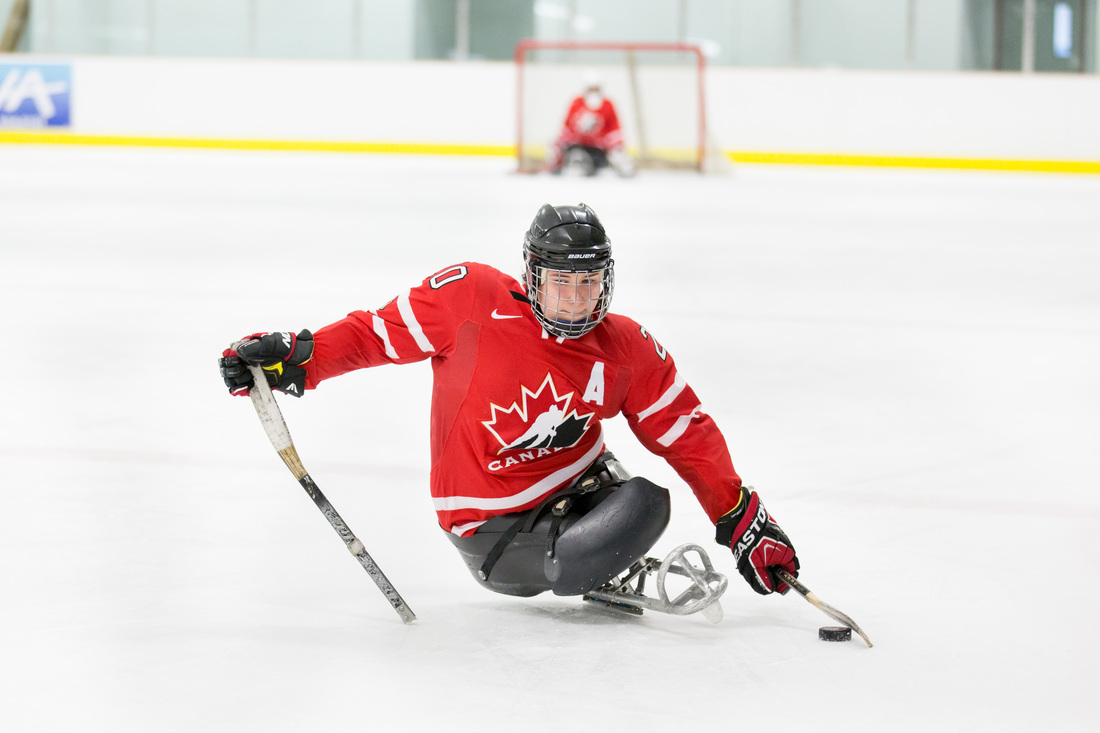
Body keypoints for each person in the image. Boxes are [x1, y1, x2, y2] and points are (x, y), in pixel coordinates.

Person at [219, 203, 798, 608]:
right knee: (638, 512)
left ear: (607, 281)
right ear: (532, 277)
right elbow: (376, 334)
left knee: (646, 503)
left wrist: (741, 517)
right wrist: (295, 358)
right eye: (560, 283)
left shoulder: (624, 347)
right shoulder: (469, 299)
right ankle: (582, 559)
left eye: (588, 284)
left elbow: (684, 429)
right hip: (490, 528)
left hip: (587, 485)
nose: (575, 301)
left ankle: (594, 546)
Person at [547, 79, 635, 178]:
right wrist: (560, 147)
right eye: (590, 89)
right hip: (578, 146)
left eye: (596, 89)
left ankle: (615, 164)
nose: (593, 92)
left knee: (607, 158)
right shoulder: (577, 103)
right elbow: (567, 127)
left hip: (599, 149)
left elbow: (614, 129)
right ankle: (573, 164)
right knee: (574, 154)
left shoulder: (607, 105)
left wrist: (616, 148)